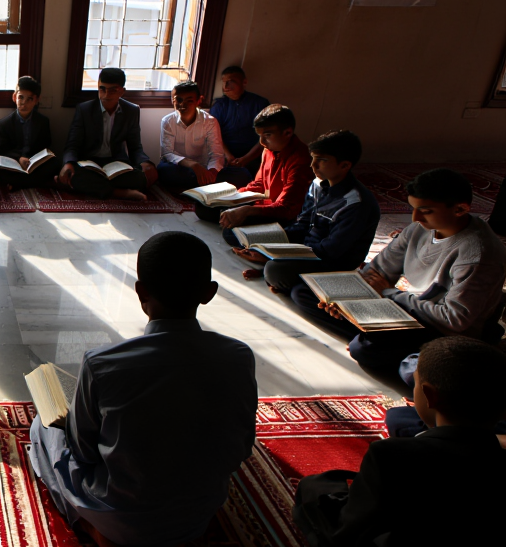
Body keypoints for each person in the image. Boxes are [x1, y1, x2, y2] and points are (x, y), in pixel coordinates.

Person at [28, 232, 257, 547]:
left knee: (44, 428)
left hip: (120, 514)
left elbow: (85, 452)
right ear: (209, 293)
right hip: (198, 511)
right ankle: (172, 542)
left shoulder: (103, 364)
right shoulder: (238, 356)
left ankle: (98, 534)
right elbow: (240, 447)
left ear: (140, 292)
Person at [293, 337, 506, 547]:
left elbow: (349, 534)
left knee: (315, 495)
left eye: (416, 384)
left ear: (428, 395)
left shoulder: (393, 455)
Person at [290, 168, 506, 382]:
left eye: (425, 210)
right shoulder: (418, 228)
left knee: (367, 351)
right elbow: (376, 272)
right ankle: (377, 338)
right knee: (304, 293)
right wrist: (346, 302)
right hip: (404, 311)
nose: (415, 217)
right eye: (413, 208)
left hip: (439, 330)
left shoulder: (479, 253)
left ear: (460, 209)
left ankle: (384, 343)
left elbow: (454, 320)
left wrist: (389, 293)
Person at [236, 130, 380, 290]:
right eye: (313, 159)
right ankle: (292, 280)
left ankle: (296, 281)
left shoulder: (357, 203)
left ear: (345, 165)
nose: (313, 165)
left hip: (331, 261)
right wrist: (268, 246)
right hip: (305, 248)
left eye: (321, 160)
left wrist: (279, 256)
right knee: (241, 235)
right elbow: (302, 224)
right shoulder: (318, 184)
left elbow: (331, 251)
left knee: (275, 270)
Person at [195, 104, 313, 244]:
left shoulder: (301, 159)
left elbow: (286, 209)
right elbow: (259, 183)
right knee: (202, 207)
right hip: (262, 205)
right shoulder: (269, 150)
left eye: (267, 135)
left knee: (231, 234)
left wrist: (247, 211)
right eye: (260, 136)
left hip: (281, 214)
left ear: (287, 133)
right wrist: (234, 197)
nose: (262, 142)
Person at [58, 67, 157, 201]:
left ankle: (99, 188)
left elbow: (135, 147)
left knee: (141, 177)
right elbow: (72, 145)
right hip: (89, 163)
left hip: (116, 163)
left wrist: (145, 162)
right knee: (74, 175)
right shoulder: (85, 109)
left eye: (112, 90)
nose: (106, 94)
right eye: (102, 89)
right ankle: (120, 193)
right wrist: (68, 163)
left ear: (122, 91)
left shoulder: (131, 111)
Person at [156, 81, 226, 192]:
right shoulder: (168, 121)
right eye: (178, 100)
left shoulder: (210, 122)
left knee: (240, 174)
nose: (183, 105)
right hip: (180, 167)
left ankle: (201, 183)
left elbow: (216, 153)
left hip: (204, 167)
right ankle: (202, 185)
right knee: (163, 170)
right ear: (172, 100)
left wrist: (211, 173)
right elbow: (167, 153)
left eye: (189, 101)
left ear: (199, 101)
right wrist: (193, 165)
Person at [0, 75, 59, 191]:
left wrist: (32, 159)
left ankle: (19, 184)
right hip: (15, 162)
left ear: (36, 100)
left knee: (55, 163)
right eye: (21, 97)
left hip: (34, 163)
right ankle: (37, 182)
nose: (24, 103)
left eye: (30, 99)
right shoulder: (3, 124)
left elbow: (46, 144)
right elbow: (4, 150)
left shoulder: (43, 122)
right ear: (14, 97)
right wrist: (19, 158)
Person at [208, 66, 269, 188]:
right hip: (224, 155)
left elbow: (267, 137)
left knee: (254, 179)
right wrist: (228, 156)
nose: (226, 86)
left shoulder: (260, 104)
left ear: (244, 82)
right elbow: (213, 135)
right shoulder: (220, 105)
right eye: (224, 82)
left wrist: (246, 159)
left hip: (252, 156)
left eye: (231, 81)